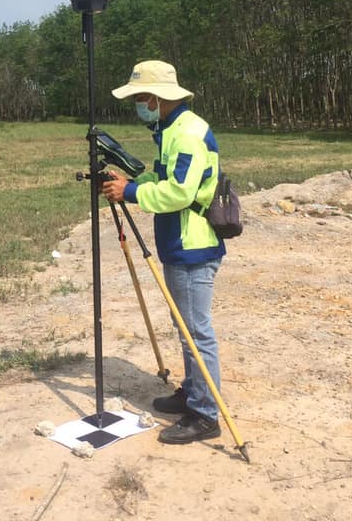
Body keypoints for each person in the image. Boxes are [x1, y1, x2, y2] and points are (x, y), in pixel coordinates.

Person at [102, 59, 226, 445]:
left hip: (193, 246)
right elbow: (164, 178)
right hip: (178, 243)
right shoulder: (169, 130)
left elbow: (180, 193)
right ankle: (193, 392)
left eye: (141, 97)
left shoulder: (187, 133)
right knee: (185, 328)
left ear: (157, 98)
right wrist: (134, 181)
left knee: (195, 331)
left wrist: (132, 193)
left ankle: (205, 414)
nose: (138, 103)